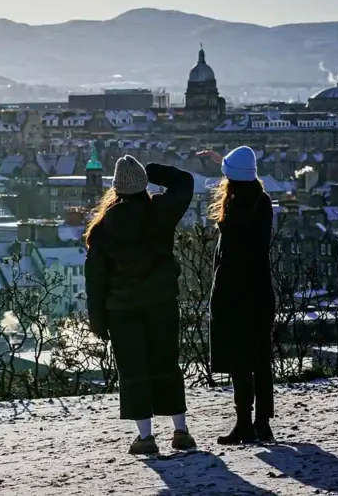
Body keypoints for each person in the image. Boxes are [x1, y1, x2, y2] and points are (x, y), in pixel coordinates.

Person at [84, 155, 196, 455]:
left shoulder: (103, 227)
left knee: (133, 370)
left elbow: (95, 278)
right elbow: (185, 183)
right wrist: (152, 170)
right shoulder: (161, 211)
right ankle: (180, 430)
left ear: (116, 189)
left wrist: (97, 319)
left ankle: (146, 437)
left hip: (122, 308)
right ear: (143, 186)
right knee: (166, 364)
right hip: (161, 301)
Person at [199, 146, 276, 444]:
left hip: (235, 292)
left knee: (239, 360)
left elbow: (230, 254)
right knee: (260, 357)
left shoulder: (234, 208)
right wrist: (227, 163)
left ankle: (244, 421)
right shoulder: (262, 202)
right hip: (260, 290)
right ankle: (263, 424)